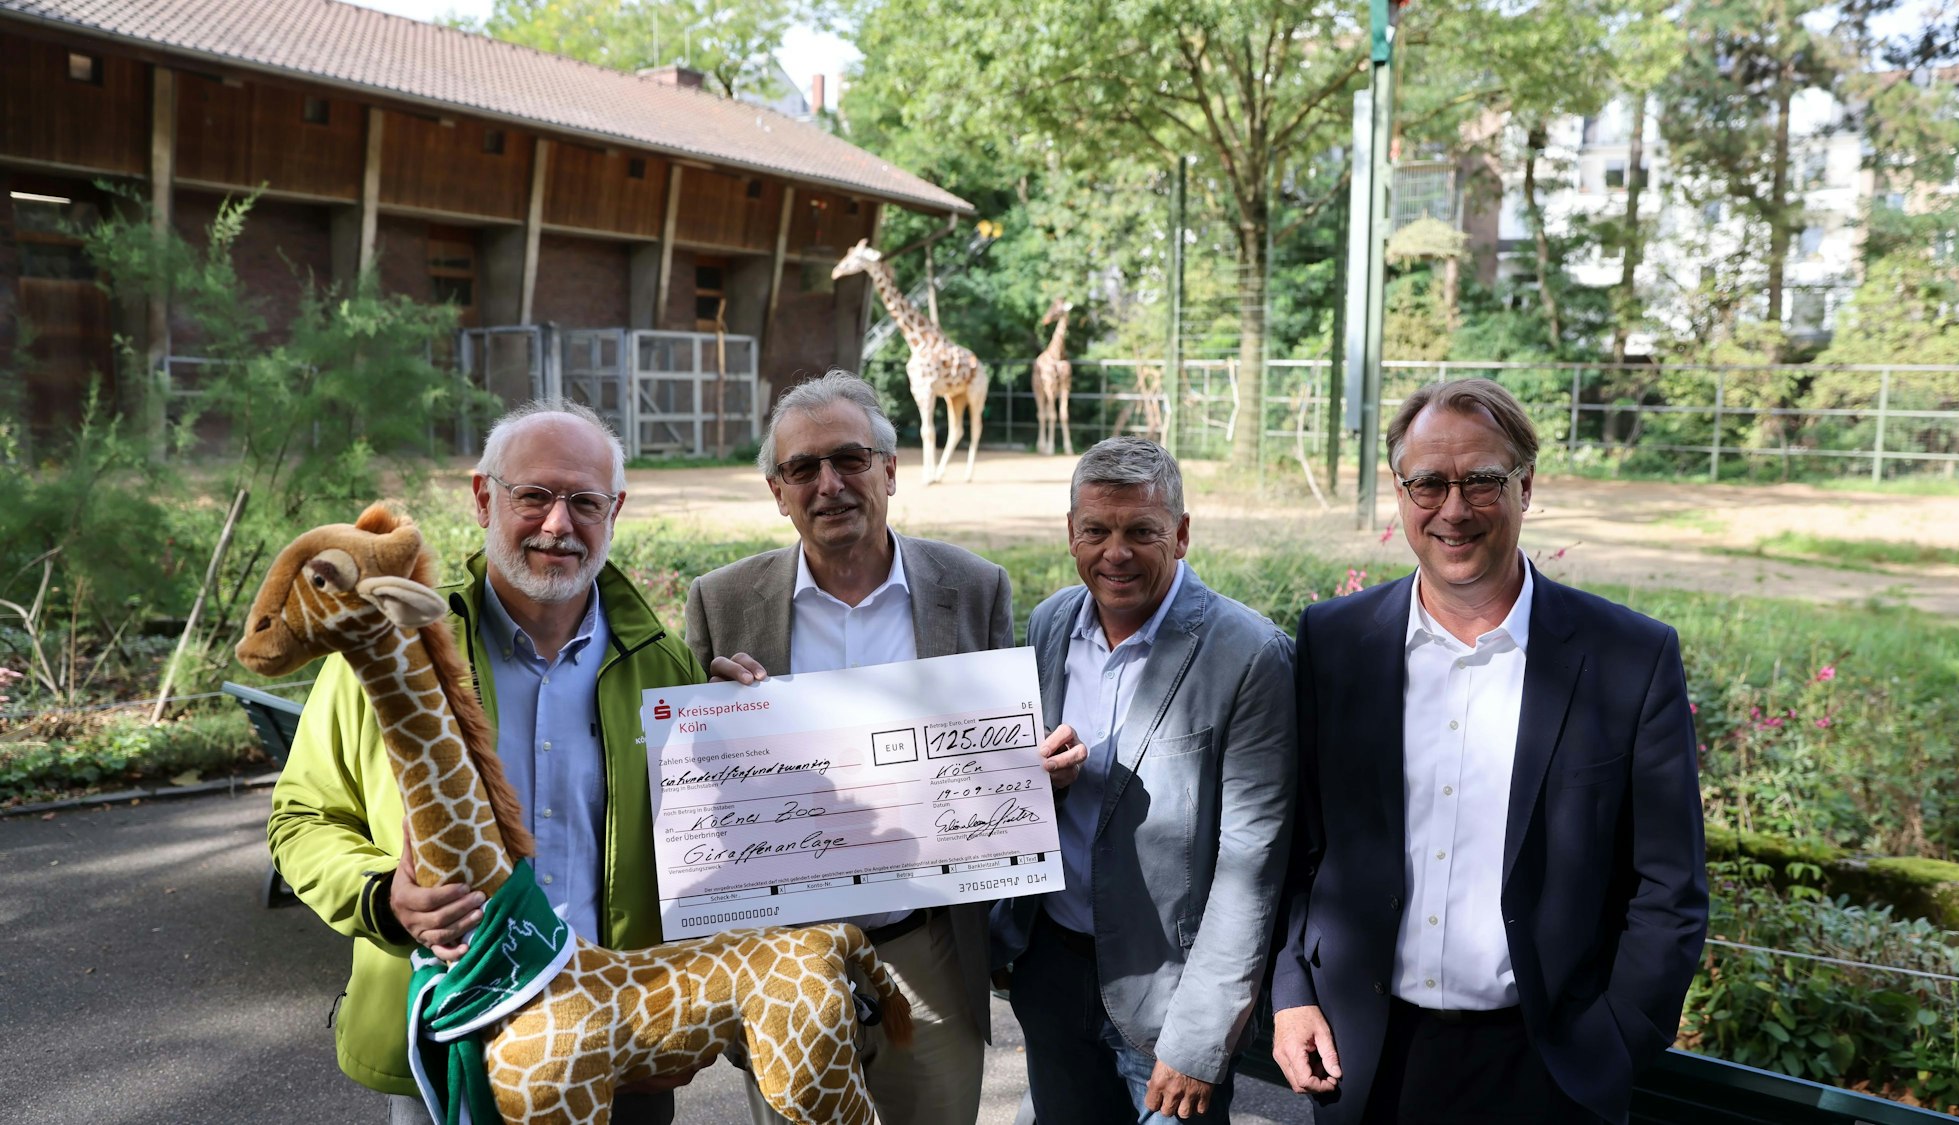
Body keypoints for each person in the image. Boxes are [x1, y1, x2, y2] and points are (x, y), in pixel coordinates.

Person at [1268, 378, 1708, 1124]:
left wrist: (1613, 1043)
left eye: (1482, 480)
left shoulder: (1629, 658)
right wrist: (1292, 991)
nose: (1454, 508)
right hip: (1365, 1062)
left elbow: (1669, 888)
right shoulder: (1334, 643)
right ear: (1400, 492)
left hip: (1545, 1073)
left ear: (1526, 486)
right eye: (1430, 483)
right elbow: (1299, 849)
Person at [267, 399, 703, 1125]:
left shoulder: (662, 667)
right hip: (451, 1032)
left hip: (619, 1036)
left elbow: (717, 837)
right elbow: (302, 817)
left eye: (585, 502)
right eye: (533, 495)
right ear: (482, 498)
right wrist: (384, 897)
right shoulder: (392, 659)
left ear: (615, 510)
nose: (558, 525)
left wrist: (750, 718)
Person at [684, 369, 1012, 1125]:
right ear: (777, 489)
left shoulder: (975, 588)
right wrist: (705, 727)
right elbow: (695, 802)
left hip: (926, 951)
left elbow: (995, 766)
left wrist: (1026, 769)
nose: (828, 484)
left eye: (849, 459)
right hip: (787, 959)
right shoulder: (721, 602)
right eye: (803, 468)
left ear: (890, 471)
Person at [991, 436, 1295, 1125]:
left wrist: (1201, 1034)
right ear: (1071, 532)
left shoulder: (1250, 655)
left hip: (1172, 998)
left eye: (1141, 531)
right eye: (1096, 530)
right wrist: (1043, 783)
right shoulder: (1049, 624)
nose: (1116, 551)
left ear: (1181, 535)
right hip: (1054, 973)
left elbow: (1254, 863)